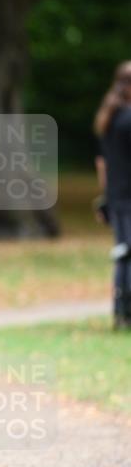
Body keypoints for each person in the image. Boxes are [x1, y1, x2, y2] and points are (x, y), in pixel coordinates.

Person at [94, 59, 131, 330]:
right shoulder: (128, 120)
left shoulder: (109, 117)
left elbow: (101, 164)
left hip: (117, 197)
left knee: (123, 253)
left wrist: (105, 197)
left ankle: (121, 312)